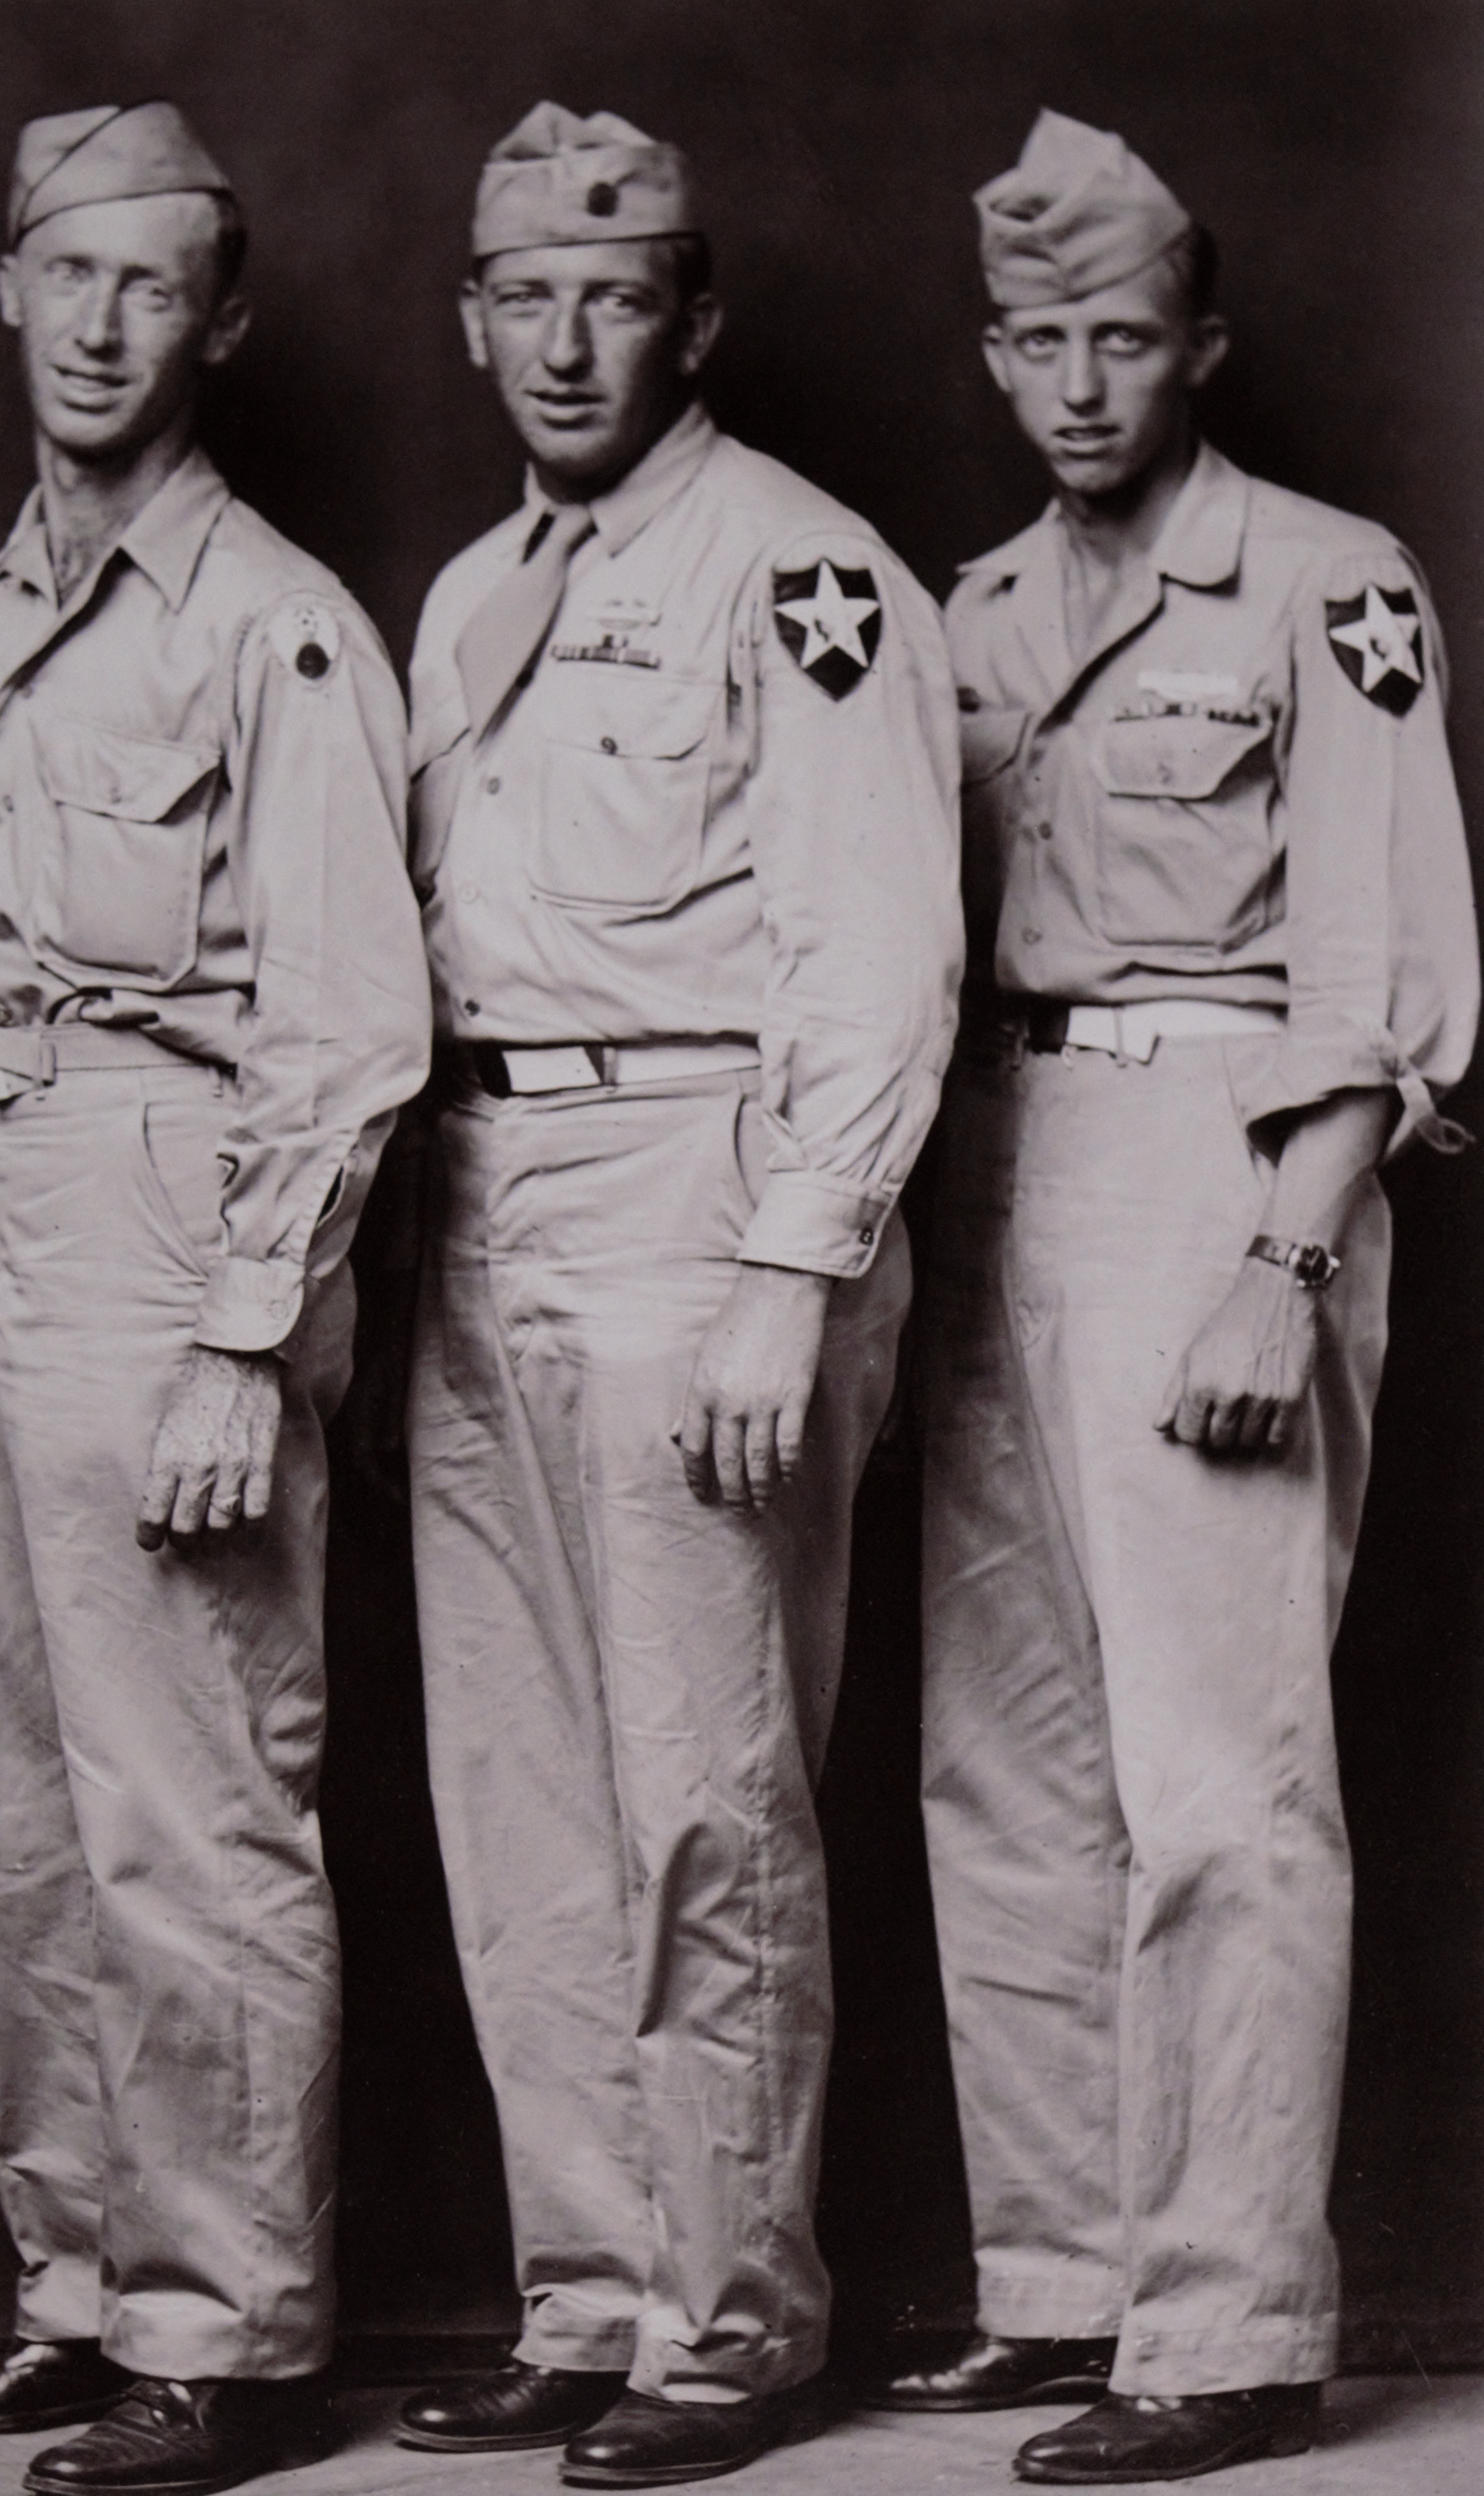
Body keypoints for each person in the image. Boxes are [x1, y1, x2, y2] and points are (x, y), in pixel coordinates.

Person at [861, 111, 1479, 2484]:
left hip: (1218, 1153)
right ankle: (1068, 2279)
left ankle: (1225, 2326)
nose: (1084, 387)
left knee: (1219, 1777)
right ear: (997, 361)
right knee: (1001, 1761)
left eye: (1126, 339)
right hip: (1000, 1160)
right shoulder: (972, 611)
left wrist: (1287, 1260)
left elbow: (1391, 957)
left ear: (1201, 343)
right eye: (1039, 345)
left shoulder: (1329, 585)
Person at [385, 102, 961, 2490]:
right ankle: (592, 2287)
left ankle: (733, 2320)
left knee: (705, 1796)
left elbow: (876, 952)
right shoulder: (462, 593)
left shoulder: (801, 576)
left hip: (699, 1188)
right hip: (482, 1191)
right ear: (476, 321)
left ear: (693, 319)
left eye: (614, 295)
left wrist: (787, 1277)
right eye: (526, 294)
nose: (566, 338)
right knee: (516, 1794)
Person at [0, 103, 431, 2496]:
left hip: (169, 1210)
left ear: (224, 321)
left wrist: (244, 1329)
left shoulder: (271, 618)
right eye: (69, 275)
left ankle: (230, 2326)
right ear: (7, 287)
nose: (105, 325)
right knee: (12, 1821)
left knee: (191, 1801)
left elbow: (353, 1020)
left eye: (157, 285)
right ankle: (79, 2292)